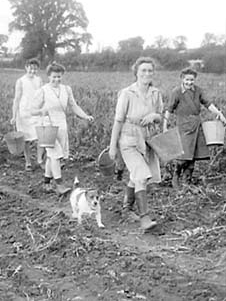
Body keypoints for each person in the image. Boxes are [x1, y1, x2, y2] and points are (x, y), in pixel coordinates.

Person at [108, 57, 163, 231]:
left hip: (146, 138)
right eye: (143, 71)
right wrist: (112, 145)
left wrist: (154, 116)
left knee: (137, 174)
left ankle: (127, 207)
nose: (147, 74)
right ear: (136, 73)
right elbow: (118, 121)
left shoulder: (155, 93)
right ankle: (144, 218)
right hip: (128, 138)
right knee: (142, 175)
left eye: (149, 71)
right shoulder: (127, 93)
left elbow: (160, 116)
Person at [30, 62, 94, 194]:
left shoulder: (66, 89)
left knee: (53, 156)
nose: (57, 79)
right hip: (47, 126)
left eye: (59, 77)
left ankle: (46, 183)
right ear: (48, 76)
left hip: (61, 125)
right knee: (55, 154)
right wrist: (42, 110)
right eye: (54, 77)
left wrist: (85, 116)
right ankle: (59, 185)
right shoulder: (43, 91)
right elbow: (32, 110)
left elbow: (74, 106)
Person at [163, 67, 226, 189]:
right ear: (182, 79)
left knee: (194, 155)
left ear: (194, 80)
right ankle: (176, 176)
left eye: (191, 80)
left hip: (197, 125)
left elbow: (208, 104)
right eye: (187, 80)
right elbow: (169, 109)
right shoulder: (176, 92)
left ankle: (187, 180)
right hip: (184, 126)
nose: (189, 82)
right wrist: (165, 126)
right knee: (184, 155)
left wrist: (219, 113)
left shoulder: (198, 91)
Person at [10, 58, 44, 171]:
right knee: (26, 139)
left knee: (40, 137)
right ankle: (28, 162)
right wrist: (14, 116)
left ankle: (39, 160)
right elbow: (17, 99)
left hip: (36, 112)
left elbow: (43, 96)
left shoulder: (39, 80)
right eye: (31, 68)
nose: (33, 71)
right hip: (23, 113)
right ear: (26, 67)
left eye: (35, 69)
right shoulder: (21, 81)